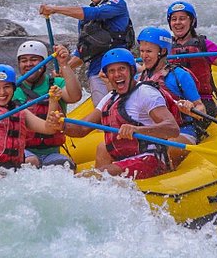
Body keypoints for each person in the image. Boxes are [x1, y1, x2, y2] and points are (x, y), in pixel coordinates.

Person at [61, 48, 180, 179]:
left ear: (131, 71)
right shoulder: (110, 98)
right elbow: (82, 129)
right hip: (125, 158)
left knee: (91, 177)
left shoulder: (146, 93)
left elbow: (172, 129)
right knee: (103, 150)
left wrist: (138, 130)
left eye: (121, 69)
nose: (117, 74)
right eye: (111, 71)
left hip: (150, 160)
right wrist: (61, 125)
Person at [39, 0, 135, 106]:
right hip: (97, 72)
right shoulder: (84, 20)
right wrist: (65, 68)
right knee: (105, 113)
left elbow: (95, 13)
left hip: (120, 69)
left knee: (127, 110)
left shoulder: (117, 4)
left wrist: (55, 9)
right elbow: (82, 52)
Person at [137, 27, 206, 168]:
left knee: (163, 150)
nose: (144, 56)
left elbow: (201, 109)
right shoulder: (140, 78)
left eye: (149, 51)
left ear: (162, 51)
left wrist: (191, 108)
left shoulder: (179, 76)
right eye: (142, 51)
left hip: (182, 132)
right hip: (153, 132)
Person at [13, 40, 82, 170]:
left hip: (51, 152)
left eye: (34, 60)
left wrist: (64, 64)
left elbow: (75, 96)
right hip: (23, 151)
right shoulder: (13, 89)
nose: (28, 64)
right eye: (23, 60)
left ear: (44, 63)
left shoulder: (57, 83)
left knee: (65, 166)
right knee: (30, 162)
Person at [166, 1, 217, 121]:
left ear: (192, 21)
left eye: (182, 18)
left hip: (203, 100)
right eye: (174, 19)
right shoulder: (165, 47)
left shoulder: (204, 45)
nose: (177, 22)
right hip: (174, 100)